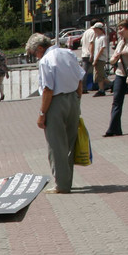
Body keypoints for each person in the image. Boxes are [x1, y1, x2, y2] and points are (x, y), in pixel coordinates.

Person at [26, 33, 83, 194]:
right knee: (69, 143)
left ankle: (61, 185)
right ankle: (67, 181)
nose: (35, 56)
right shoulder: (68, 53)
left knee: (56, 145)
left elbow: (48, 89)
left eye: (34, 53)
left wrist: (42, 113)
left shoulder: (46, 60)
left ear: (40, 48)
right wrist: (78, 100)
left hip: (56, 103)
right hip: (72, 99)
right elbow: (80, 79)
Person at [104, 20, 128, 138]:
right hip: (120, 73)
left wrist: (126, 51)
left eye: (121, 28)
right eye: (118, 29)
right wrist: (114, 58)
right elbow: (113, 59)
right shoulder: (120, 42)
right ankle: (113, 128)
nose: (119, 31)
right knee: (116, 101)